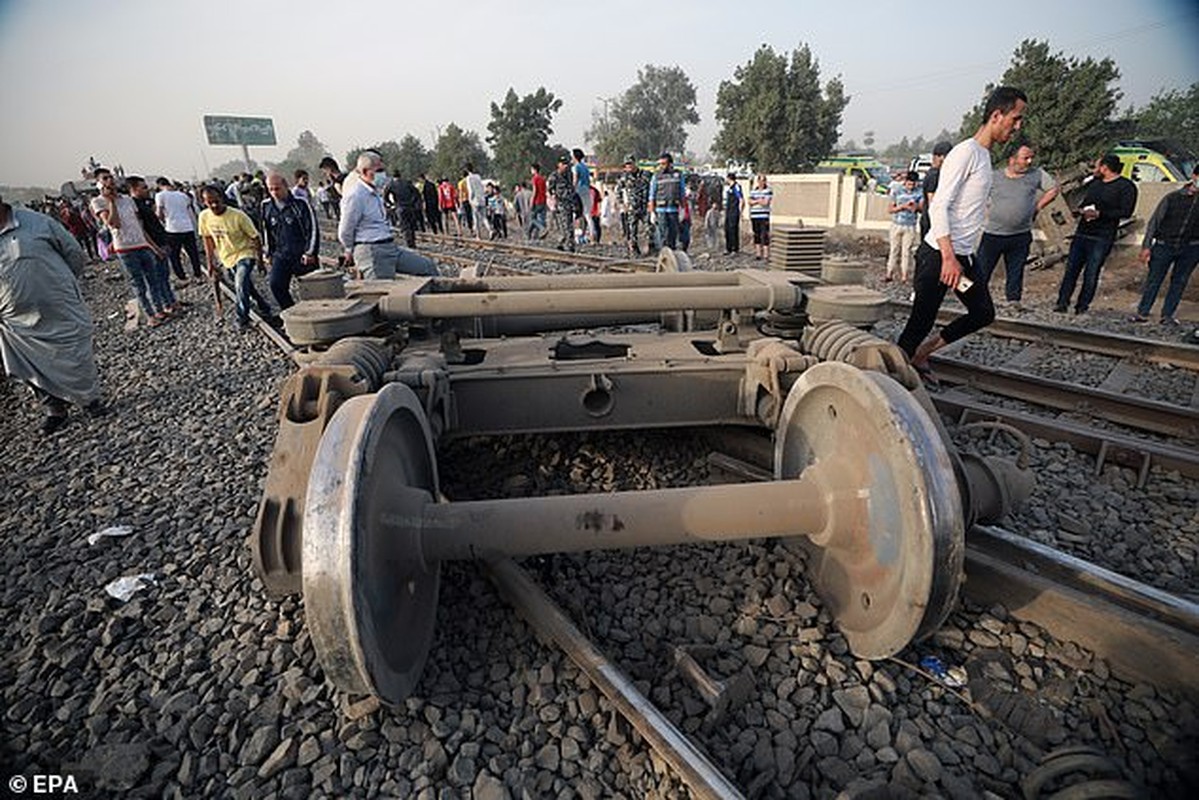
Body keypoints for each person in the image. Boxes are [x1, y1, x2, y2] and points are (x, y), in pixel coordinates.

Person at [896, 86, 1027, 379]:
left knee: (982, 313)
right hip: (940, 258)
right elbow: (939, 206)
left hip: (963, 258)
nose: (1017, 127)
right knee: (920, 321)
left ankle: (922, 354)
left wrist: (958, 258)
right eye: (1015, 119)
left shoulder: (984, 156)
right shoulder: (965, 153)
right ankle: (891, 380)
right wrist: (947, 258)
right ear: (996, 115)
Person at [0, 194, 108, 434]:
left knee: (76, 354)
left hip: (60, 307)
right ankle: (54, 409)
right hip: (16, 320)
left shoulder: (36, 222)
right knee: (31, 365)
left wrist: (63, 286)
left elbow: (73, 253)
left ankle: (90, 400)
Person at [1054, 153, 1138, 315]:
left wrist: (1101, 214)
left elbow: (1126, 211)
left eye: (1098, 166)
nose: (1095, 170)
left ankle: (1082, 306)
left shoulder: (1126, 187)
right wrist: (1079, 211)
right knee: (1071, 270)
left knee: (1091, 273)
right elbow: (1087, 202)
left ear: (1105, 168)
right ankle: (1062, 302)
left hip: (1102, 236)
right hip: (1083, 233)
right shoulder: (1096, 184)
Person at [976, 143, 1058, 307]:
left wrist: (1038, 206)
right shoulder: (994, 176)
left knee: (1016, 270)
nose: (1029, 161)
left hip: (1021, 234)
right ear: (1012, 159)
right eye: (1025, 158)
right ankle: (975, 300)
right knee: (982, 270)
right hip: (994, 234)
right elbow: (977, 194)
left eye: (1031, 158)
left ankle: (1013, 300)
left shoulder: (1036, 175)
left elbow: (1053, 189)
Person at [90, 168, 173, 327]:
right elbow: (113, 224)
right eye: (105, 178)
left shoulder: (128, 200)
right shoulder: (98, 202)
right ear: (98, 183)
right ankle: (150, 315)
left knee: (153, 281)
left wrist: (153, 247)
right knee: (138, 284)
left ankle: (160, 310)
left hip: (142, 244)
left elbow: (138, 226)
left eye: (111, 177)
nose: (110, 181)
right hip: (125, 249)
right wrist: (111, 201)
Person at [338, 152, 437, 279]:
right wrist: (350, 249)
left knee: (428, 268)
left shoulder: (375, 193)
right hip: (371, 250)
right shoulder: (356, 196)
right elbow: (345, 230)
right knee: (381, 290)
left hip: (390, 247)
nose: (382, 174)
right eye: (379, 170)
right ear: (364, 171)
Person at [198, 185, 275, 329]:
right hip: (226, 256)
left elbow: (255, 237)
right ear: (204, 202)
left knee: (240, 284)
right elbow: (207, 240)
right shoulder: (204, 217)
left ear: (222, 198)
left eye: (216, 201)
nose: (214, 205)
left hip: (245, 253)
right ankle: (264, 306)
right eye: (209, 202)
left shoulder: (238, 216)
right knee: (245, 286)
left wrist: (260, 261)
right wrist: (210, 263)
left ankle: (242, 318)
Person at [1131, 164, 1199, 325]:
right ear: (1194, 176)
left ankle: (1167, 315)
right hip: (1164, 245)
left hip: (1191, 248)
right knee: (1154, 279)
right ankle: (1143, 312)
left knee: (1179, 281)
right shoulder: (1172, 198)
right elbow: (1154, 222)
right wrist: (1146, 246)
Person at [260, 172, 320, 310]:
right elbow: (266, 231)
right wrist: (268, 253)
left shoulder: (300, 204)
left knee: (313, 290)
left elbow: (312, 229)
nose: (274, 192)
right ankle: (292, 313)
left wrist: (310, 252)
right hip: (281, 255)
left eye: (277, 188)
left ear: (286, 186)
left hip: (302, 255)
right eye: (270, 189)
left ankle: (317, 315)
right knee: (276, 285)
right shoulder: (266, 206)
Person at [127, 177, 182, 313]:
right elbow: (142, 229)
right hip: (154, 245)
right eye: (143, 187)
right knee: (157, 279)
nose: (147, 190)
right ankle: (165, 305)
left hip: (161, 241)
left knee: (164, 276)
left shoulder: (144, 203)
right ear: (133, 189)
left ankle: (171, 301)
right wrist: (154, 247)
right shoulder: (134, 206)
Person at [155, 177, 204, 281]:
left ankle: (182, 277)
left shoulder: (160, 195)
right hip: (188, 227)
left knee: (174, 256)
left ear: (159, 185)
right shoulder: (183, 195)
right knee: (193, 253)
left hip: (172, 229)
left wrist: (163, 220)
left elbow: (159, 214)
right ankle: (198, 275)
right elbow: (187, 209)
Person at [885, 171, 923, 282]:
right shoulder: (897, 191)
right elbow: (890, 209)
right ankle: (889, 273)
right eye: (909, 184)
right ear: (905, 182)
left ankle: (904, 276)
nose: (911, 186)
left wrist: (915, 207)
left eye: (913, 184)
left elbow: (921, 209)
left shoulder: (919, 193)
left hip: (910, 225)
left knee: (906, 251)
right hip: (896, 224)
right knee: (894, 250)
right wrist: (903, 207)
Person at [648, 152, 684, 250]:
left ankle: (672, 252)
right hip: (661, 210)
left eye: (664, 164)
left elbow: (682, 193)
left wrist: (683, 209)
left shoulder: (678, 175)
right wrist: (652, 212)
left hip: (673, 209)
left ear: (670, 164)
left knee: (673, 234)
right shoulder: (656, 176)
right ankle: (664, 254)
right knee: (662, 234)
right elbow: (651, 195)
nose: (661, 166)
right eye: (660, 164)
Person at [919, 141, 952, 240]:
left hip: (928, 219)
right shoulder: (935, 175)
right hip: (931, 222)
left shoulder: (931, 173)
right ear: (940, 157)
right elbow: (931, 200)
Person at [548, 155, 577, 252]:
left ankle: (567, 244)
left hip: (569, 202)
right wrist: (553, 200)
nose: (565, 166)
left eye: (566, 164)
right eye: (563, 164)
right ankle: (566, 243)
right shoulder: (554, 176)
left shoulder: (569, 175)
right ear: (558, 165)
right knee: (564, 224)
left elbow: (572, 187)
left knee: (569, 224)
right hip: (560, 203)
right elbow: (550, 190)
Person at [748, 174, 773, 261]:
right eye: (760, 180)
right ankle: (758, 254)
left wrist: (756, 201)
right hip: (755, 215)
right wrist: (759, 200)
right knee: (756, 234)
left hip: (764, 215)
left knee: (765, 234)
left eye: (763, 180)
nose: (761, 182)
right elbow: (749, 201)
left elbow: (766, 203)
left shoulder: (768, 191)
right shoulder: (753, 191)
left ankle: (766, 254)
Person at [571, 149, 591, 244]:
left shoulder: (576, 167)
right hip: (587, 190)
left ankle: (578, 236)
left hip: (579, 191)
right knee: (587, 214)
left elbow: (575, 180)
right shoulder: (585, 167)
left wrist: (572, 190)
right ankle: (590, 235)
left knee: (577, 214)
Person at [465, 162, 487, 239]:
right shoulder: (478, 176)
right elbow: (481, 187)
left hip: (475, 200)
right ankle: (490, 230)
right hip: (482, 198)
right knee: (484, 217)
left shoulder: (468, 178)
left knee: (476, 218)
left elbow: (471, 190)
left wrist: (470, 199)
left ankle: (478, 236)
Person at [528, 163, 548, 241]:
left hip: (537, 201)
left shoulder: (535, 178)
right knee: (541, 219)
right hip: (543, 201)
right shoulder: (543, 179)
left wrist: (531, 201)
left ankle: (542, 229)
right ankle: (537, 236)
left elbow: (535, 191)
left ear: (534, 170)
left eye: (531, 169)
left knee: (532, 218)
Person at [724, 173, 743, 254]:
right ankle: (728, 248)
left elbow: (741, 199)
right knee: (727, 229)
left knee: (733, 230)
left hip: (734, 211)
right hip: (728, 211)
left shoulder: (736, 187)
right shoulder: (729, 188)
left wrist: (740, 211)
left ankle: (734, 248)